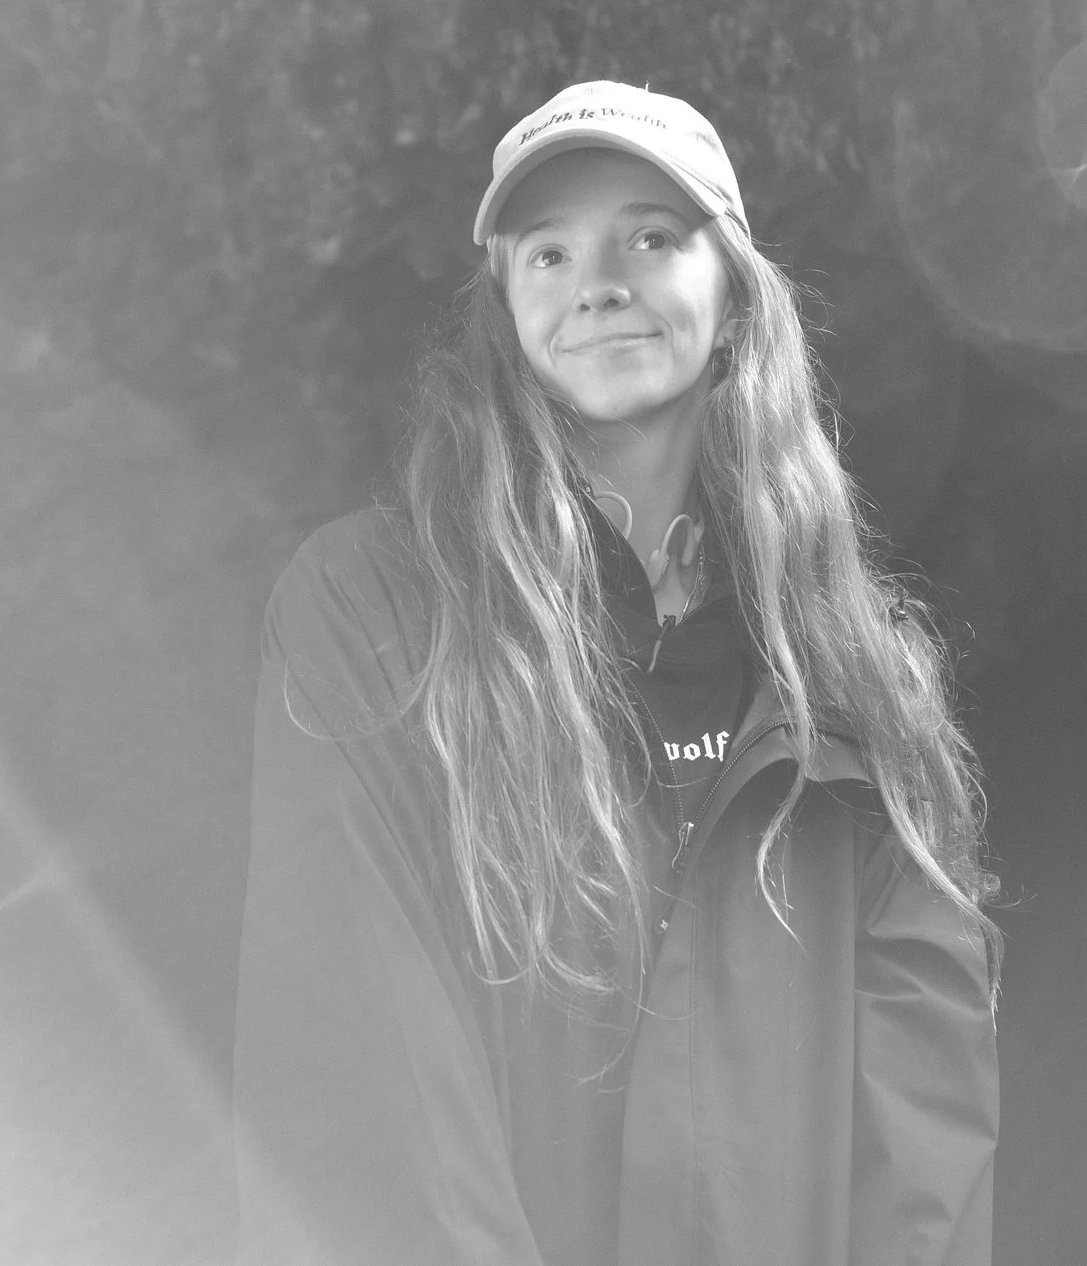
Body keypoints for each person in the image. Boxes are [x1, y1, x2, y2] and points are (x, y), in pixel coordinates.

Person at [231, 81, 1000, 1266]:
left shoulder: (859, 675)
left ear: (734, 296)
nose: (597, 281)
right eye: (548, 252)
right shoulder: (375, 612)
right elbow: (361, 1066)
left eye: (650, 235)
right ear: (503, 312)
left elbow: (925, 1134)